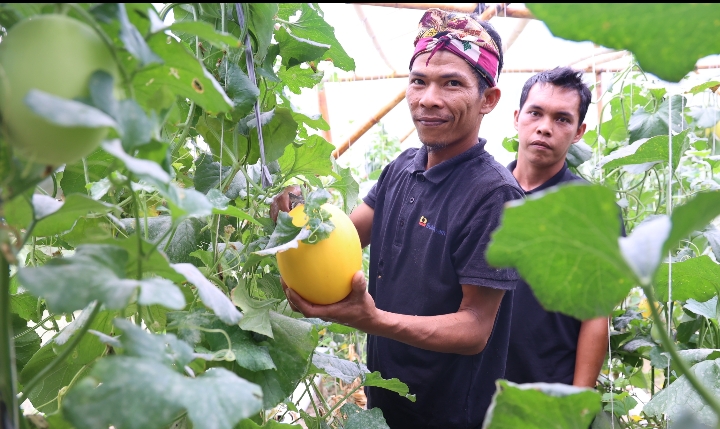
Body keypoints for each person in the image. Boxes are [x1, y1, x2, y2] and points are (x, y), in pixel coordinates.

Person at [276, 8, 523, 429]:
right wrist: (296, 214)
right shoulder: (403, 166)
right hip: (387, 398)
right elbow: (347, 233)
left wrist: (372, 320)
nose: (428, 98)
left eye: (452, 83)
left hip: (449, 414)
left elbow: (475, 328)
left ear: (489, 99)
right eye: (419, 81)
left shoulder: (496, 196)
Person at [504, 67, 610, 387]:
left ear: (579, 132)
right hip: (470, 389)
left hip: (547, 393)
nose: (544, 128)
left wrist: (576, 406)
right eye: (535, 113)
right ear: (517, 117)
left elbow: (596, 315)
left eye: (562, 119)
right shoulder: (481, 194)